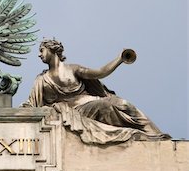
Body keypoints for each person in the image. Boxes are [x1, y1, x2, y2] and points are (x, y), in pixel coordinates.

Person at [22, 39, 169, 144]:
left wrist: (119, 59)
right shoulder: (41, 79)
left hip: (89, 103)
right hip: (73, 112)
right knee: (105, 107)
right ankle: (141, 135)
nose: (39, 55)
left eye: (42, 50)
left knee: (124, 105)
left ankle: (156, 136)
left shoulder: (73, 69)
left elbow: (100, 73)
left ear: (52, 49)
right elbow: (32, 104)